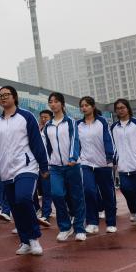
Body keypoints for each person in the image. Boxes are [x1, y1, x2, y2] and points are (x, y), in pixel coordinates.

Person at [0, 86, 49, 257]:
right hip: (6, 170)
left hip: (26, 166)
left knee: (23, 198)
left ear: (15, 97)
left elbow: (36, 143)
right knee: (15, 207)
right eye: (0, 96)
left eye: (6, 95)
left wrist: (43, 166)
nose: (3, 98)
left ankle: (34, 237)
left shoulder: (26, 116)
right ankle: (25, 241)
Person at [43, 92, 86, 242]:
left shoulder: (70, 122)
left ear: (62, 104)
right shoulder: (47, 126)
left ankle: (80, 228)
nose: (53, 104)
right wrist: (47, 163)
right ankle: (65, 227)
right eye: (51, 102)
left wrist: (73, 157)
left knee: (76, 197)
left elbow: (75, 140)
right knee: (57, 194)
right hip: (55, 167)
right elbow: (47, 147)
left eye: (56, 101)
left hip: (72, 165)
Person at [76, 97, 117, 233]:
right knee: (88, 191)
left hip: (103, 163)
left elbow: (108, 139)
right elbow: (76, 143)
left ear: (93, 107)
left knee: (107, 194)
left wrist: (110, 156)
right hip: (86, 163)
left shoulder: (102, 121)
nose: (84, 108)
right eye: (82, 106)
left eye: (87, 105)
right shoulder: (78, 125)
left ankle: (111, 222)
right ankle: (92, 222)